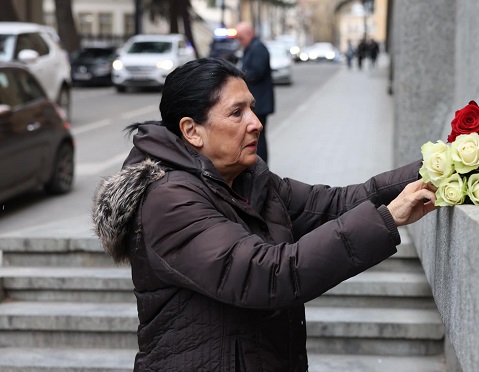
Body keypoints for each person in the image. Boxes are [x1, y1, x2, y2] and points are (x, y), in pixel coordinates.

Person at [91, 58, 438, 371]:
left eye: (252, 109)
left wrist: (438, 168)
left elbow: (334, 204)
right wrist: (387, 219)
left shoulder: (250, 179)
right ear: (192, 130)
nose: (256, 123)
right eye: (236, 112)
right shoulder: (168, 200)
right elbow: (268, 273)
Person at [235, 21, 274, 164]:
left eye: (241, 38)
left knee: (258, 137)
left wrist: (237, 75)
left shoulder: (258, 49)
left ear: (249, 34)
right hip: (257, 101)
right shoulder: (251, 47)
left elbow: (256, 72)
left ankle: (261, 167)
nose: (239, 41)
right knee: (256, 137)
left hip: (260, 102)